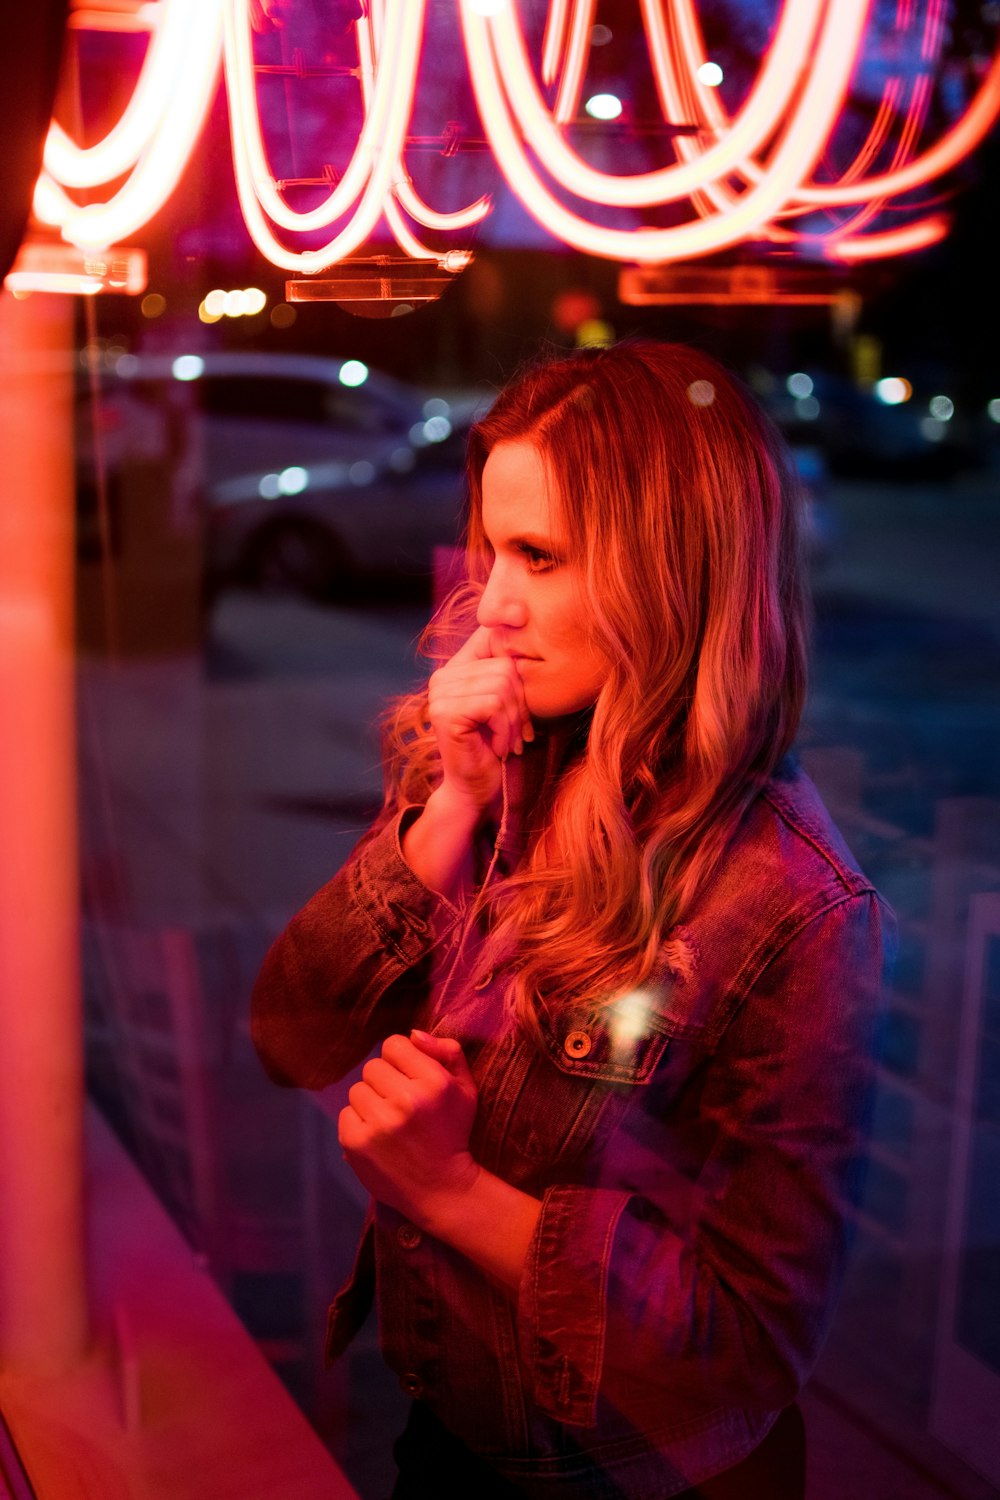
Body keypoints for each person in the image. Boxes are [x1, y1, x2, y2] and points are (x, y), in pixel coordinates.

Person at [251, 340, 893, 1499]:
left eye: (540, 557)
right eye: (494, 547)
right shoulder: (508, 767)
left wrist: (449, 1192)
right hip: (447, 1434)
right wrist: (447, 805)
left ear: (670, 572)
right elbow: (288, 1036)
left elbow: (742, 1355)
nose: (491, 606)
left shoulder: (792, 906)